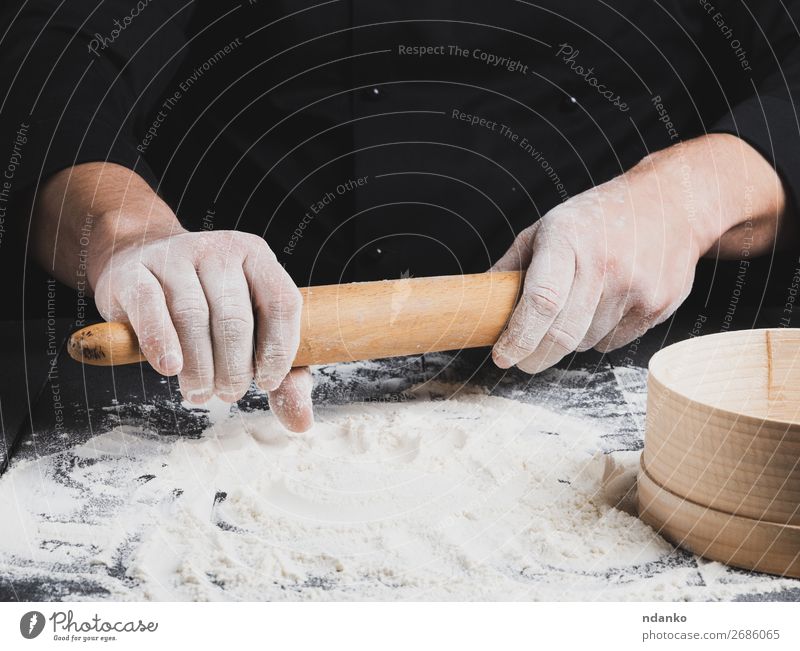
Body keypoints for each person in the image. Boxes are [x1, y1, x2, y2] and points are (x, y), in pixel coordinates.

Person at [0, 1, 796, 432]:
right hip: (202, 367)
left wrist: (688, 194)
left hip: (619, 374)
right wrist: (128, 235)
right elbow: (55, 48)